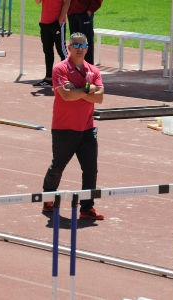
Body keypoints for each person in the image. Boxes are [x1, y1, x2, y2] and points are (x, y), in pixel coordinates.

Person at [42, 32, 104, 220]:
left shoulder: (94, 70)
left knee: (90, 169)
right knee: (58, 166)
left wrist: (79, 90)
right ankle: (48, 197)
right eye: (75, 45)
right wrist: (89, 89)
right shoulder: (59, 69)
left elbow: (99, 98)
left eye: (82, 45)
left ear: (87, 48)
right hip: (64, 128)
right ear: (68, 48)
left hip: (87, 128)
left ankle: (86, 207)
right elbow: (66, 97)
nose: (79, 48)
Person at [33, 0, 71, 87]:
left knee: (61, 51)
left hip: (57, 22)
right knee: (47, 51)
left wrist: (60, 21)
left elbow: (67, 3)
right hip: (44, 22)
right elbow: (37, 2)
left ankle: (64, 79)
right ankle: (48, 79)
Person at [67, 0, 103, 65]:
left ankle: (88, 69)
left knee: (86, 41)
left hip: (84, 12)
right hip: (71, 12)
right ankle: (76, 67)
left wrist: (90, 11)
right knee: (74, 42)